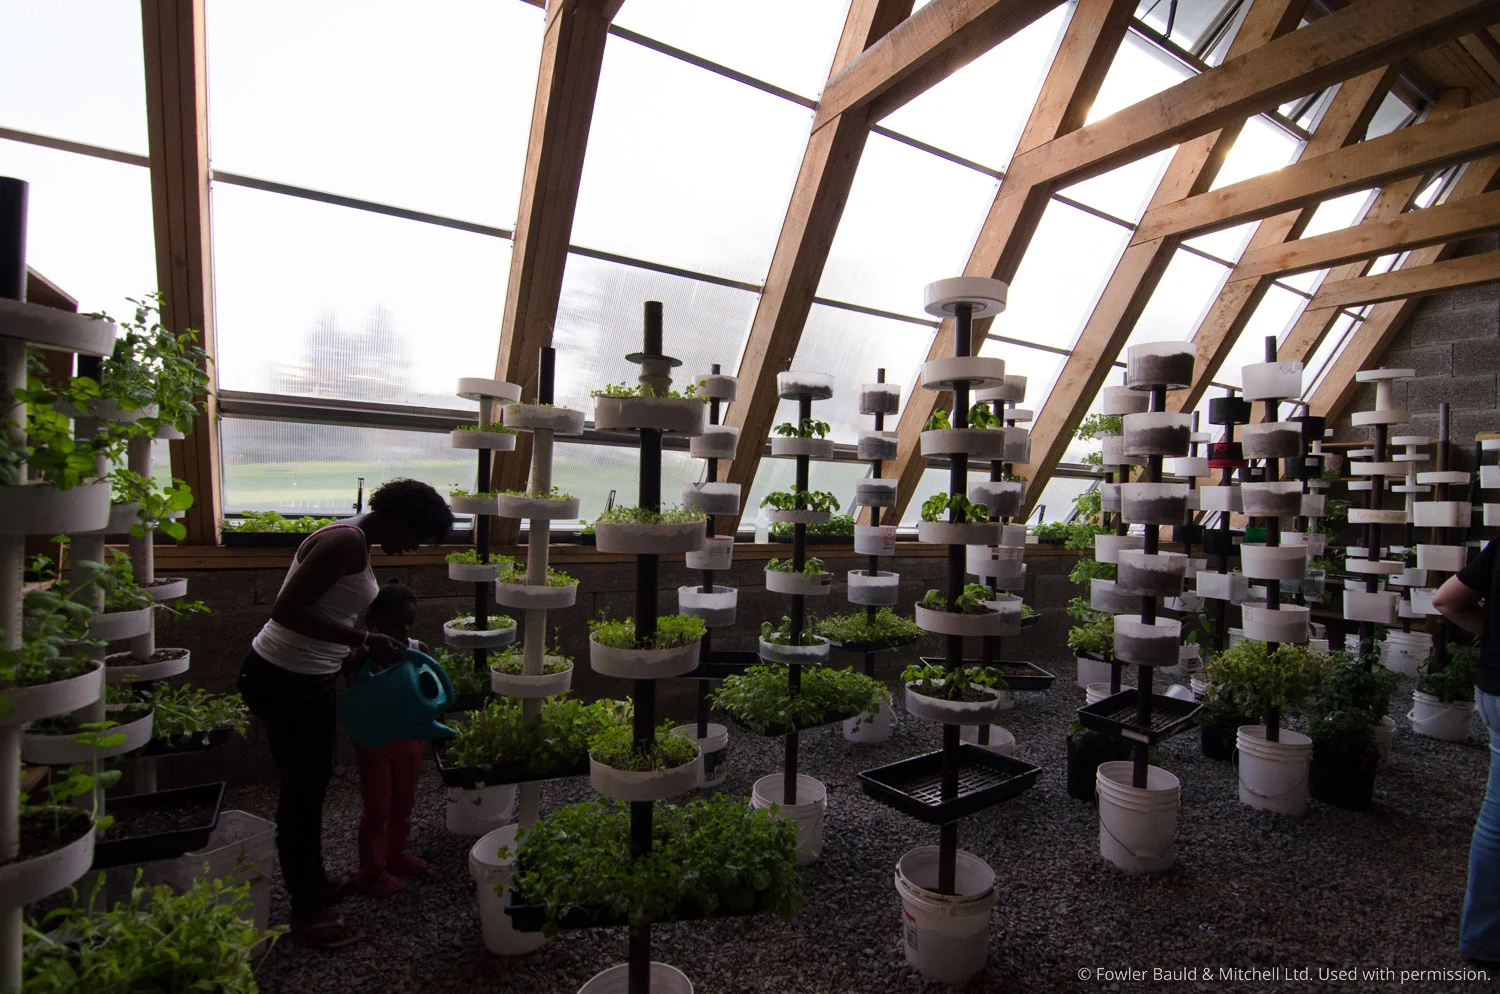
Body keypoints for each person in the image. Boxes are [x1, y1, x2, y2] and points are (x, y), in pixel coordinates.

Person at [237, 479, 453, 949]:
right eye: (416, 535)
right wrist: (362, 640)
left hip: (302, 675)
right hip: (284, 678)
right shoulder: (345, 542)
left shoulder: (354, 537)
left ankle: (312, 884)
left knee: (313, 783)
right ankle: (308, 912)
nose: (413, 547)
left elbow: (323, 610)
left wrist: (350, 655)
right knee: (302, 793)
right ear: (399, 517)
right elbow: (286, 610)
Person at [1434, 537, 1500, 964]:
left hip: (1495, 687)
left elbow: (1447, 600)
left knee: (1497, 817)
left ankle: (1483, 939)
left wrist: (1492, 632)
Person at [343, 580, 428, 898]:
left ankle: (395, 854)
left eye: (410, 622)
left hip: (408, 739)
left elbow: (432, 690)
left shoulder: (418, 651)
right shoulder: (360, 657)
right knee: (377, 806)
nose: (404, 629)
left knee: (404, 801)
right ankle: (371, 870)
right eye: (396, 623)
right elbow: (355, 695)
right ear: (372, 624)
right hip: (374, 742)